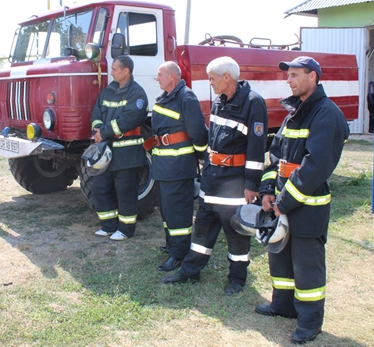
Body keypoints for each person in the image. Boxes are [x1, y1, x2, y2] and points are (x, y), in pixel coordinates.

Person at [256, 56, 348, 344]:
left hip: (308, 206)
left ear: (313, 77)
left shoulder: (326, 114)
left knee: (307, 267)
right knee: (280, 258)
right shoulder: (293, 113)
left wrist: (284, 202)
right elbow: (275, 156)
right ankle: (282, 305)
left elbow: (315, 168)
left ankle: (309, 323)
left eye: (295, 75)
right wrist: (267, 190)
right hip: (283, 202)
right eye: (288, 75)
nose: (289, 80)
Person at [162, 56, 268, 296]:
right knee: (202, 228)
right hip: (212, 178)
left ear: (226, 77)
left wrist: (252, 184)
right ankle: (190, 271)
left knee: (236, 234)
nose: (209, 82)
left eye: (212, 78)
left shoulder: (253, 102)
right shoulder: (219, 100)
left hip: (235, 182)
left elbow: (256, 148)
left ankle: (237, 279)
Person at [147, 61, 208, 272]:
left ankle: (180, 254)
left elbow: (198, 132)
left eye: (160, 74)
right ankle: (172, 244)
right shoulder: (165, 98)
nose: (157, 78)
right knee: (167, 209)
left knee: (178, 212)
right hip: (163, 167)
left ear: (172, 76)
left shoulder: (186, 97)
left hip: (179, 167)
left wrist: (201, 156)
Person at [90, 55, 148, 241]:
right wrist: (98, 129)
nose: (111, 72)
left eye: (115, 69)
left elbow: (129, 119)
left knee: (125, 193)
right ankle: (108, 226)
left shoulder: (137, 93)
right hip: (106, 151)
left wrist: (104, 132)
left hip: (127, 153)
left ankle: (125, 230)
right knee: (100, 188)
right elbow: (96, 114)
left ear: (126, 71)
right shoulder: (108, 91)